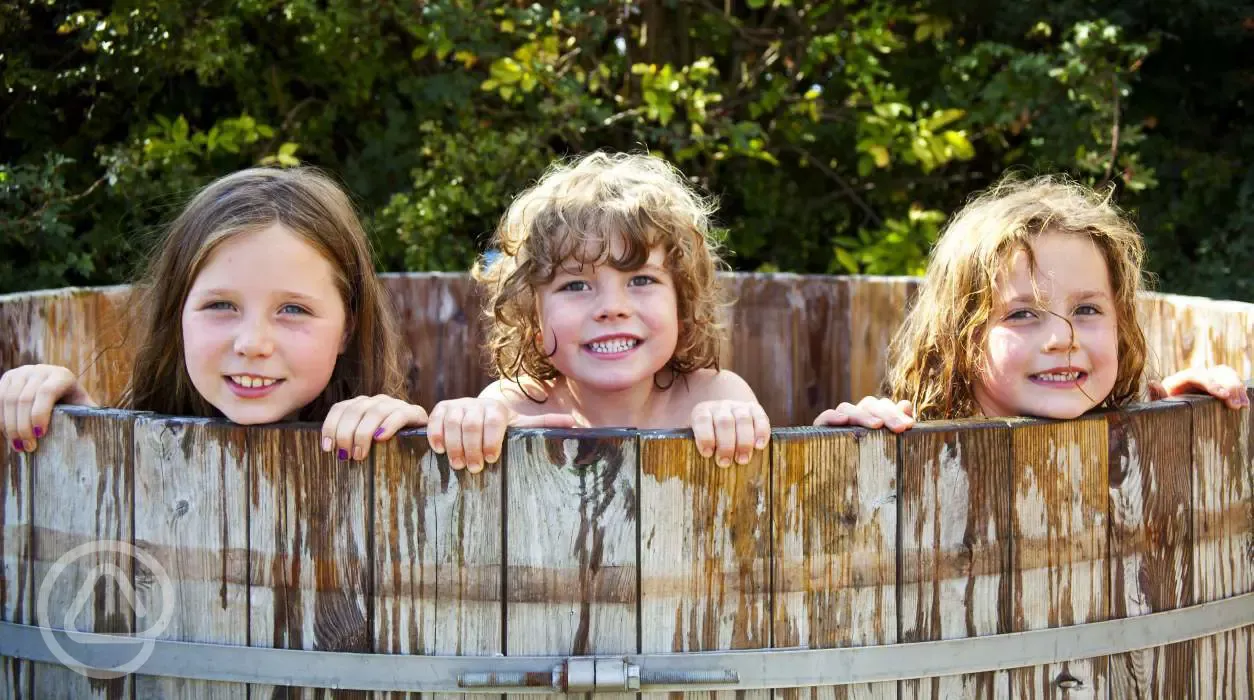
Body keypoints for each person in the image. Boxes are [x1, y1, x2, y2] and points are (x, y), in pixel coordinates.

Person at [0, 167, 428, 461]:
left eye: (293, 309)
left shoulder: (380, 434)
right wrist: (76, 420)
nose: (252, 344)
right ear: (178, 312)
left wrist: (412, 444)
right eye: (221, 305)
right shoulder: (144, 445)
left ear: (347, 329)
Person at [425, 151, 771, 473]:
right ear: (535, 321)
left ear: (682, 306)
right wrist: (467, 424)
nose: (612, 308)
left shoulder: (715, 395)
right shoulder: (514, 407)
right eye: (575, 286)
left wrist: (735, 423)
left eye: (641, 280)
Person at [815, 173, 1247, 429]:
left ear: (1122, 326)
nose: (1062, 337)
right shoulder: (908, 444)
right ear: (959, 337)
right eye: (1022, 313)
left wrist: (1173, 413)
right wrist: (854, 442)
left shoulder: (1127, 432)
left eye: (1087, 309)